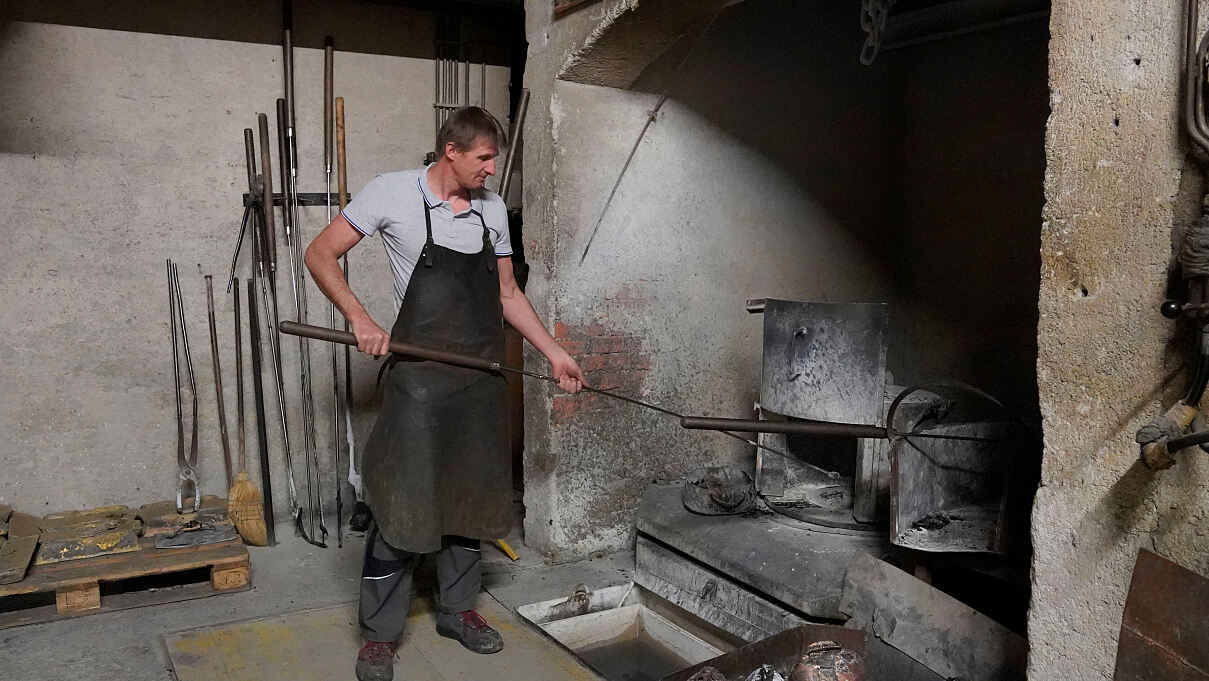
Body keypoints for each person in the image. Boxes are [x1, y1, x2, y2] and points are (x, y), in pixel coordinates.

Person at [305, 106, 586, 681]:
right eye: (485, 158)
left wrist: (553, 352)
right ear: (450, 151)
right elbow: (320, 252)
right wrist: (360, 317)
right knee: (402, 501)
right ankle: (380, 636)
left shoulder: (490, 214)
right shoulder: (392, 193)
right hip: (419, 382)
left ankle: (457, 612)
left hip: (479, 382)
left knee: (471, 500)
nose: (492, 169)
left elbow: (507, 294)